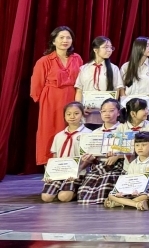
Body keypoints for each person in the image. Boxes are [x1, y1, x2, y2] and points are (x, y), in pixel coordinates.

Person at [31, 26, 84, 166]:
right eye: (61, 37)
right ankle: (49, 166)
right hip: (51, 100)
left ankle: (70, 165)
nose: (65, 40)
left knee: (71, 128)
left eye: (68, 37)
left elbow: (81, 81)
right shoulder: (44, 60)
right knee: (49, 130)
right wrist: (44, 101)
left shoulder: (77, 58)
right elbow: (36, 86)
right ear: (54, 41)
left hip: (72, 97)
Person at [76, 99, 126, 205]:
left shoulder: (124, 129)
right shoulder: (95, 133)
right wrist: (90, 158)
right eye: (104, 111)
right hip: (98, 165)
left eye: (111, 110)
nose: (107, 113)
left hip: (117, 165)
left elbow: (130, 150)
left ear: (118, 112)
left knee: (106, 184)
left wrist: (118, 155)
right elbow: (91, 153)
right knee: (83, 193)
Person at [40, 102, 90, 203]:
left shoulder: (88, 134)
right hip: (60, 172)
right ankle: (59, 189)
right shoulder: (59, 136)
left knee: (64, 197)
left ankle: (76, 191)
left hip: (78, 172)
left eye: (76, 113)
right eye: (68, 114)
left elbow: (89, 158)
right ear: (64, 116)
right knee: (46, 197)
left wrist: (77, 170)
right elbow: (55, 156)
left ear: (82, 114)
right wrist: (50, 173)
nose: (72, 116)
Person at [74, 36, 124, 127]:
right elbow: (79, 90)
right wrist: (80, 108)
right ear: (95, 50)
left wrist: (110, 109)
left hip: (106, 116)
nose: (109, 50)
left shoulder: (114, 68)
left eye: (111, 47)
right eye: (106, 47)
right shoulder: (84, 69)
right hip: (87, 114)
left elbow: (117, 90)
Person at [104, 131, 149, 210]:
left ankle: (120, 203)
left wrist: (140, 190)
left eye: (144, 145)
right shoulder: (133, 163)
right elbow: (129, 179)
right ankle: (135, 204)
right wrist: (124, 190)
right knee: (111, 195)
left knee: (146, 196)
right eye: (137, 145)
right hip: (132, 188)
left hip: (146, 188)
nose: (140, 148)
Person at [120, 37, 149, 124]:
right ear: (138, 47)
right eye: (147, 46)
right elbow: (121, 87)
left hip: (148, 107)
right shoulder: (126, 66)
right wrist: (124, 101)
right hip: (130, 107)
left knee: (148, 130)